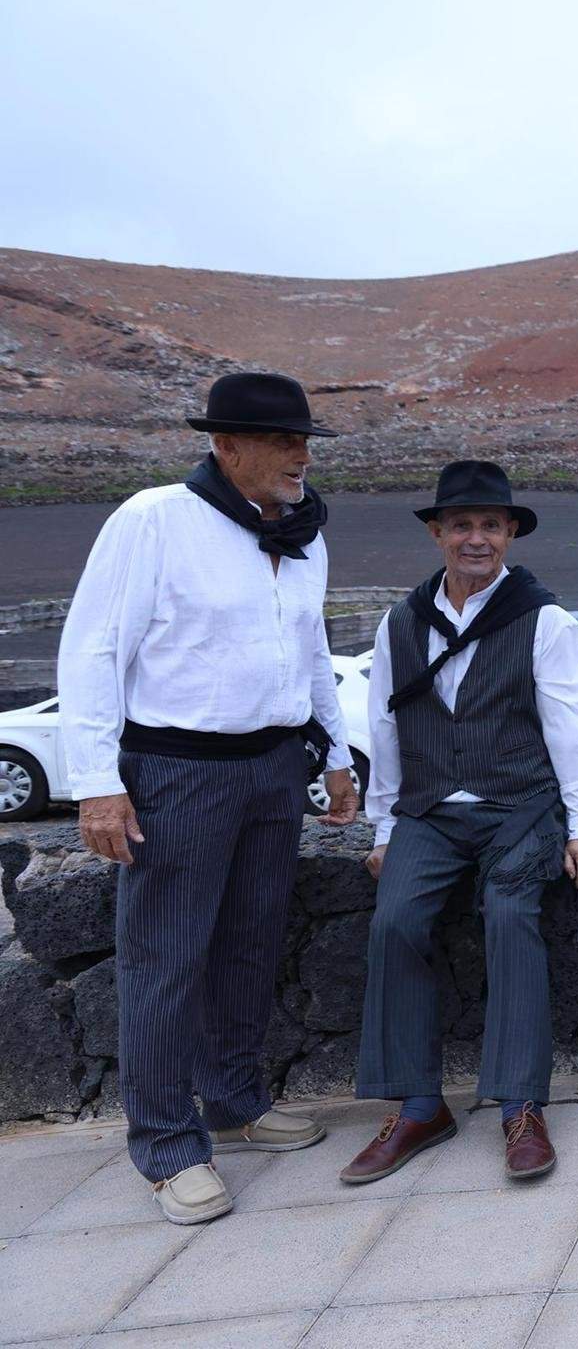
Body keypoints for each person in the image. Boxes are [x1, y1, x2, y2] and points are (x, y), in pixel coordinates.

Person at [57, 372, 358, 1226]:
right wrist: (98, 787)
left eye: (305, 441)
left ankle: (233, 1100)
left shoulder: (303, 535)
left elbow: (308, 653)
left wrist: (334, 755)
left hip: (273, 768)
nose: (302, 455)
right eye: (283, 441)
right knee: (164, 956)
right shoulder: (153, 521)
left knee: (248, 945)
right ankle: (165, 1144)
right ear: (226, 447)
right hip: (176, 771)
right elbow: (91, 652)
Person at [340, 461, 578, 1184]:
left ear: (510, 534)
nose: (477, 539)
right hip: (429, 810)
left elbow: (572, 726)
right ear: (437, 534)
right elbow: (384, 728)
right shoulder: (402, 622)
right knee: (394, 920)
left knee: (508, 911)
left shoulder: (545, 621)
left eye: (492, 525)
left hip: (520, 805)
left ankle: (521, 1107)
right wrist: (384, 829)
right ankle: (419, 1105)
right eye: (462, 525)